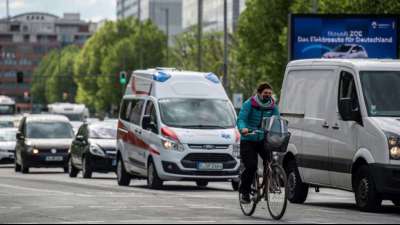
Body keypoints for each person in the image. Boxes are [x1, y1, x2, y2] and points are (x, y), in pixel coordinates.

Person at [237, 83, 280, 204]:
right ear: (259, 93)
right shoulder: (249, 104)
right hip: (248, 139)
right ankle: (244, 193)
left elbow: (277, 119)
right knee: (251, 166)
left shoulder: (272, 106)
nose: (268, 95)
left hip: (263, 139)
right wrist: (243, 129)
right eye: (266, 93)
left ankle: (270, 182)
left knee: (270, 160)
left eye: (270, 93)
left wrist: (278, 131)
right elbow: (241, 119)